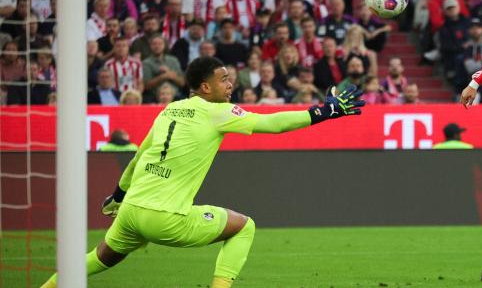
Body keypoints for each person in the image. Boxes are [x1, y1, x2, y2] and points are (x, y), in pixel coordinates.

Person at [40, 57, 364, 288]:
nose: (230, 83)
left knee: (100, 259)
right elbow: (273, 123)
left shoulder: (168, 109)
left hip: (131, 210)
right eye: (224, 79)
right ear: (205, 87)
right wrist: (327, 111)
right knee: (244, 227)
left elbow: (139, 157)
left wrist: (118, 197)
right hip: (166, 217)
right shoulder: (217, 112)